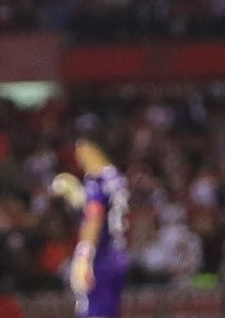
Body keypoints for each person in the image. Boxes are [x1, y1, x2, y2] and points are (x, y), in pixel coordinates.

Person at [70, 136, 131, 318]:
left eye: (82, 152)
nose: (79, 158)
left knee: (93, 312)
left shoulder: (96, 181)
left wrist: (83, 257)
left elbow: (94, 218)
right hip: (118, 255)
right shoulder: (118, 178)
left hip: (100, 258)